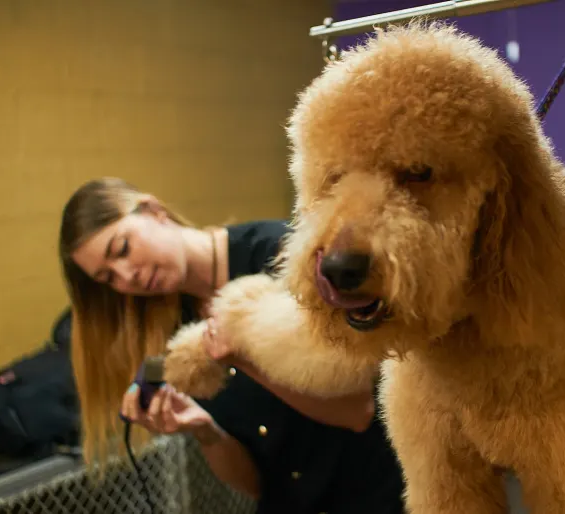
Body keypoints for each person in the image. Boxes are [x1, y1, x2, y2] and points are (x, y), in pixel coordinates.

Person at [58, 177, 405, 514]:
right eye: (109, 278)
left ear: (153, 211)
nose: (126, 275)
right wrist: (205, 432)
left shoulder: (282, 256)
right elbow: (256, 485)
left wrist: (245, 355)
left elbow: (357, 412)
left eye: (122, 249)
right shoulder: (174, 329)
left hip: (376, 494)